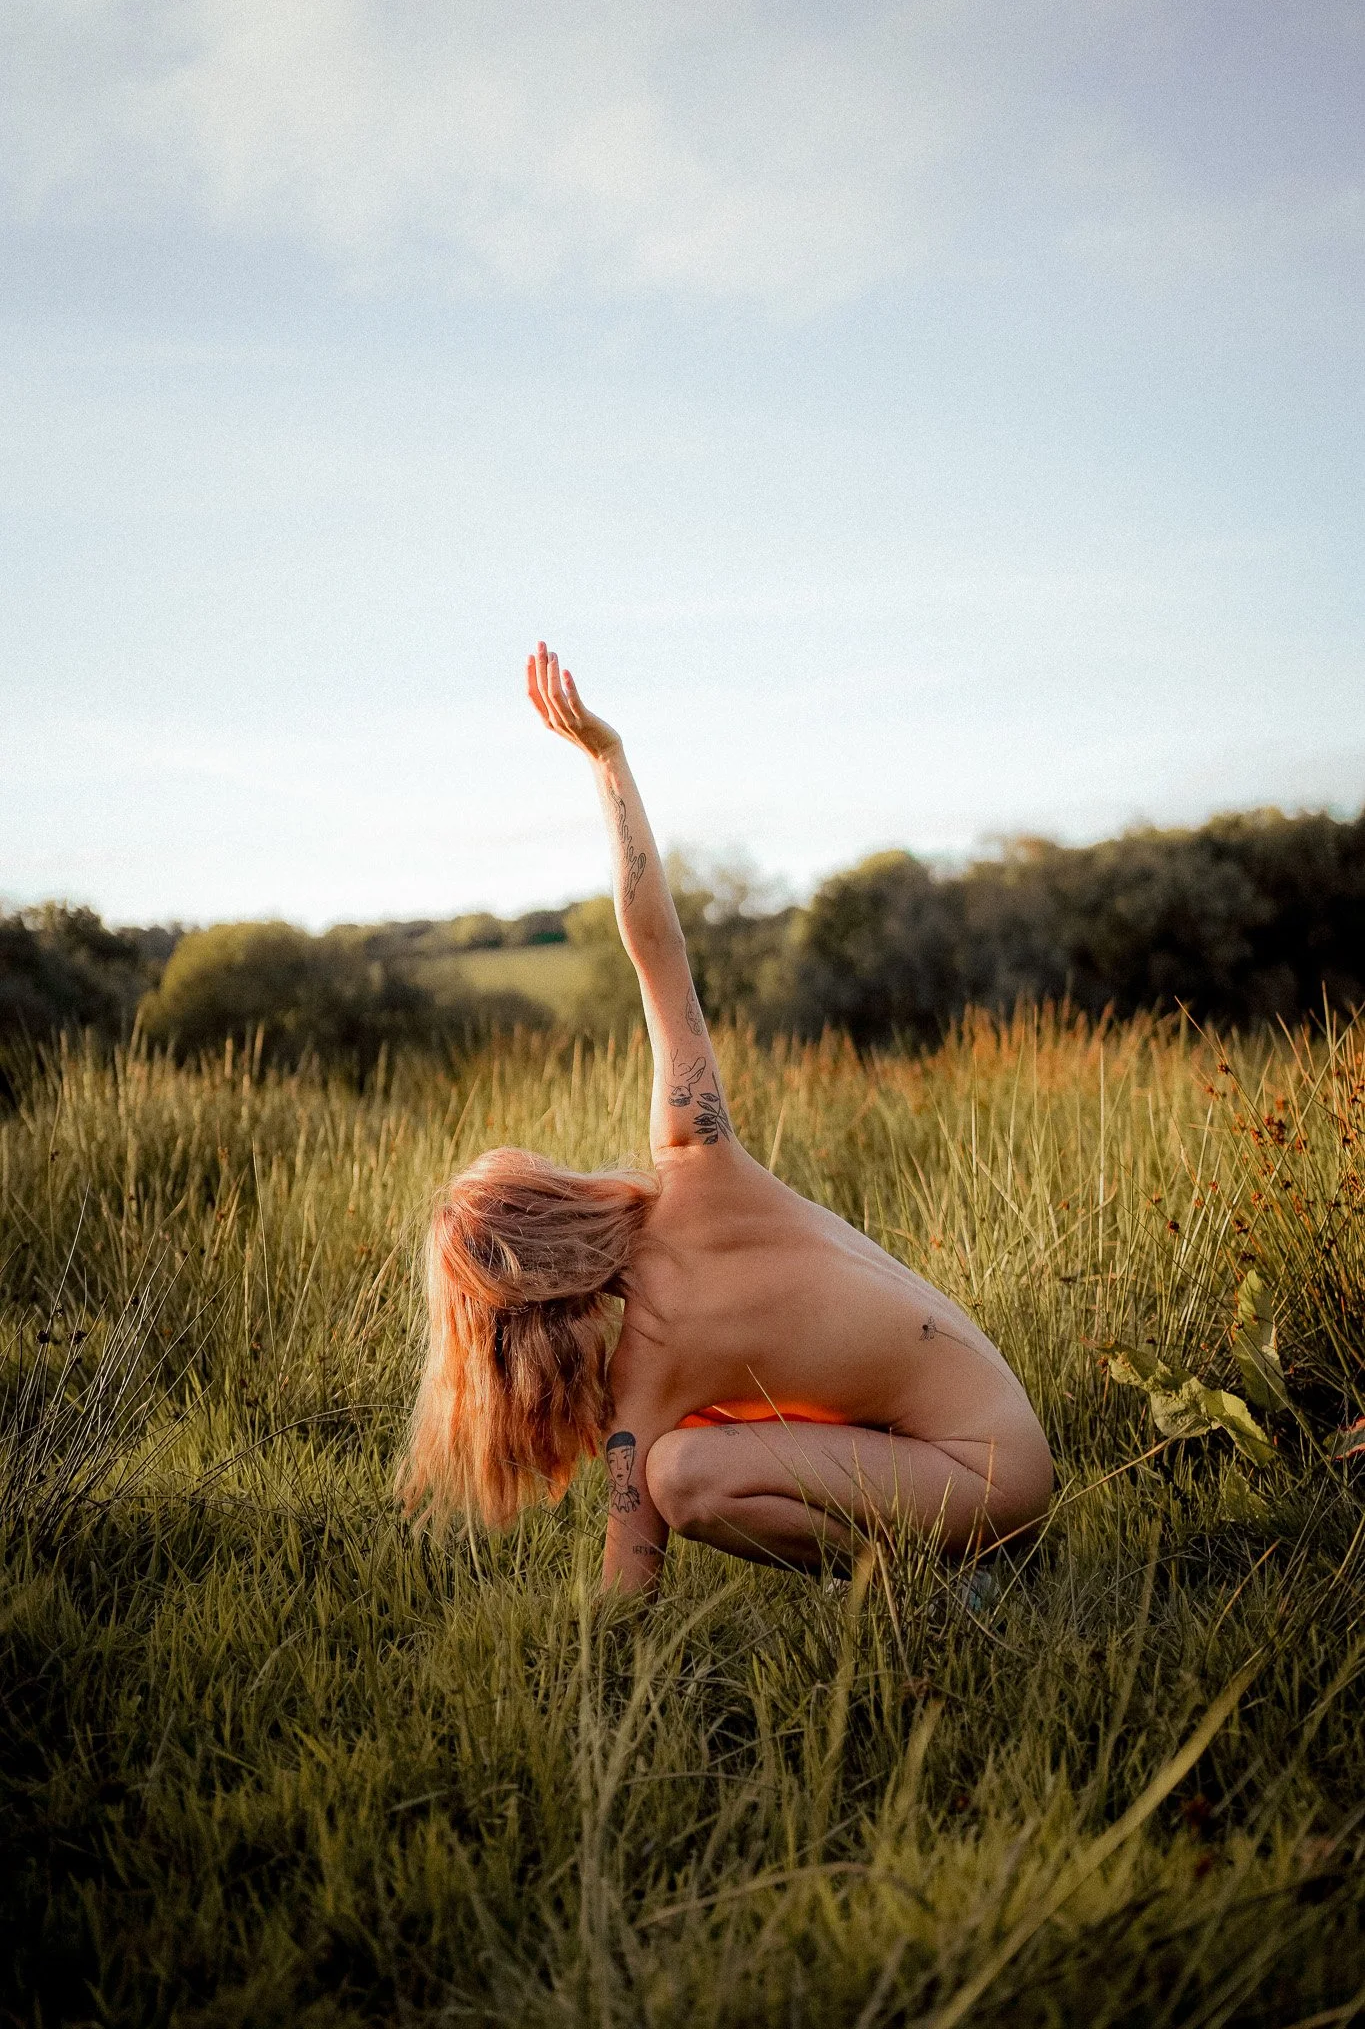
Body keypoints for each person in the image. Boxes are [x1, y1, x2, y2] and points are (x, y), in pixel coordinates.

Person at [398, 645, 1053, 1594]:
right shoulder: (694, 1153)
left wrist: (569, 1665)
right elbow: (652, 944)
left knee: (683, 1471)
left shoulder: (647, 1375)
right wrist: (605, 758)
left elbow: (632, 1575)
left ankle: (937, 1581)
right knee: (694, 1439)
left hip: (981, 1477)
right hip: (995, 1434)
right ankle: (940, 1557)